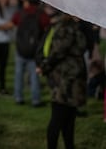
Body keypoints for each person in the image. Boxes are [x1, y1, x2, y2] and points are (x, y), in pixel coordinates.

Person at [36, 13, 87, 149]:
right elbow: (58, 52)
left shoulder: (76, 26)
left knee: (69, 119)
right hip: (64, 80)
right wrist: (44, 67)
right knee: (58, 119)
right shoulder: (66, 28)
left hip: (73, 80)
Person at [0, 0, 50, 106]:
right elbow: (48, 29)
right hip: (34, 50)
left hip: (21, 48)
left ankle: (18, 97)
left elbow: (11, 25)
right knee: (34, 76)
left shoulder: (20, 13)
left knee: (18, 74)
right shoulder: (42, 14)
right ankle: (36, 100)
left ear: (27, 1)